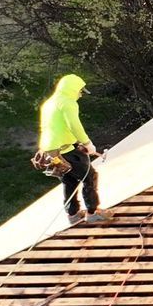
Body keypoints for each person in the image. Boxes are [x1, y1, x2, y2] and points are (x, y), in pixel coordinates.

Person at [37, 74, 105, 226]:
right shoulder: (67, 103)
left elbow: (57, 128)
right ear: (72, 89)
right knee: (90, 176)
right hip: (63, 149)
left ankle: (73, 214)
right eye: (80, 91)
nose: (81, 94)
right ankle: (92, 213)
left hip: (50, 150)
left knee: (69, 180)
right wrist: (87, 143)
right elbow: (73, 125)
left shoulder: (50, 103)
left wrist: (75, 144)